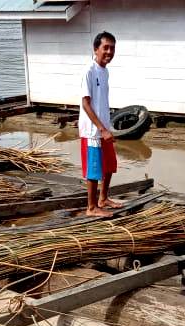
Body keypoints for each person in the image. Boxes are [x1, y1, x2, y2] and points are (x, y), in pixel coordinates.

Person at [79, 31, 121, 217]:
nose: (109, 52)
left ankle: (103, 199)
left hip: (104, 127)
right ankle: (91, 207)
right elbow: (85, 103)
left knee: (110, 165)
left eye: (112, 48)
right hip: (92, 130)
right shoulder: (89, 71)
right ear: (96, 49)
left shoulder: (105, 71)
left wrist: (107, 127)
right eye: (106, 47)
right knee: (94, 168)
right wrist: (101, 129)